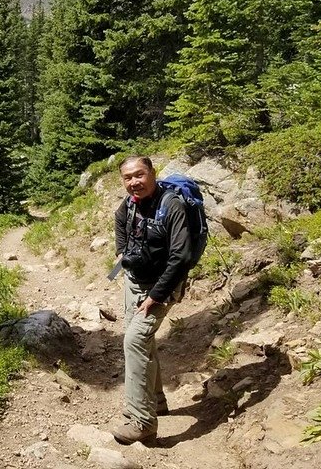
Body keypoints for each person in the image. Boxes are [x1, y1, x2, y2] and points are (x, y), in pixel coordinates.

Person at [111, 155, 192, 445]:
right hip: (134, 284)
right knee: (143, 341)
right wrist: (125, 257)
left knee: (134, 341)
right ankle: (156, 401)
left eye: (139, 174)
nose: (134, 182)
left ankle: (142, 421)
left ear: (152, 173)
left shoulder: (172, 205)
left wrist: (156, 296)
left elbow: (180, 257)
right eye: (128, 177)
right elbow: (121, 242)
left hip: (162, 288)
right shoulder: (127, 207)